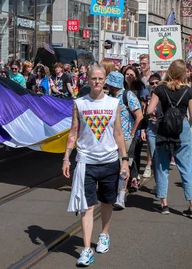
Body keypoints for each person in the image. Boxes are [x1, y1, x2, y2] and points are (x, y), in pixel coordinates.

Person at [62, 64, 129, 267]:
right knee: (86, 206)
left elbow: (118, 133)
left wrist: (124, 160)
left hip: (109, 161)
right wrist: (66, 157)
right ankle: (86, 249)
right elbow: (73, 132)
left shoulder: (113, 104)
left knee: (107, 202)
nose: (97, 82)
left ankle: (104, 234)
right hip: (86, 162)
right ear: (88, 80)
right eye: (94, 78)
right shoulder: (80, 103)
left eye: (100, 79)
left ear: (105, 80)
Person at [146, 59, 192, 219]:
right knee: (187, 166)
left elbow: (149, 110)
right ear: (184, 74)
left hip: (164, 128)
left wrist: (159, 114)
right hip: (182, 128)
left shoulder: (160, 89)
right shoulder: (189, 91)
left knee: (162, 166)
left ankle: (164, 204)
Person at [105, 71, 143, 208]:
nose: (108, 87)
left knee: (124, 166)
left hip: (126, 137)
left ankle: (121, 195)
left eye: (109, 84)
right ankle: (115, 192)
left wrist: (133, 133)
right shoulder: (107, 97)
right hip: (110, 137)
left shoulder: (128, 95)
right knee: (113, 167)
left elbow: (139, 115)